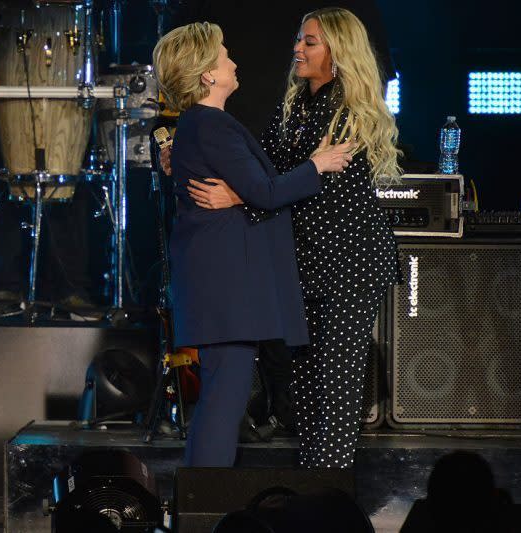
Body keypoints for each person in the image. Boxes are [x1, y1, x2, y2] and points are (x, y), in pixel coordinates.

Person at [187, 7, 400, 468]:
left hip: (348, 265)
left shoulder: (349, 113)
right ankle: (313, 481)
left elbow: (306, 190)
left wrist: (237, 198)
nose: (297, 48)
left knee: (335, 383)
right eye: (299, 40)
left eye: (310, 42)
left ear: (338, 54)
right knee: (302, 383)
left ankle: (329, 488)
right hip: (304, 265)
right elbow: (263, 171)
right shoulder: (295, 105)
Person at [152, 21, 353, 467]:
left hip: (219, 285)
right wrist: (317, 165)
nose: (234, 61)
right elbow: (264, 191)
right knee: (224, 403)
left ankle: (203, 500)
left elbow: (252, 187)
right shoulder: (212, 125)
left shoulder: (200, 125)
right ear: (207, 74)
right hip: (225, 287)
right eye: (225, 55)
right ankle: (206, 503)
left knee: (222, 400)